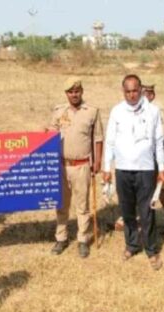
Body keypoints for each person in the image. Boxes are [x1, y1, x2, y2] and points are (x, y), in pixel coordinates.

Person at [103, 74, 164, 270]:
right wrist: (107, 168)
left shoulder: (153, 111)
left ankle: (151, 249)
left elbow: (158, 142)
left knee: (147, 211)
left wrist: (162, 168)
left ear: (141, 90)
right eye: (127, 91)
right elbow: (110, 141)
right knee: (127, 210)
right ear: (123, 91)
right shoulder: (117, 111)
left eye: (135, 90)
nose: (131, 95)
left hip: (146, 169)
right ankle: (131, 245)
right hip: (123, 169)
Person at [45, 76, 103, 258]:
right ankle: (61, 238)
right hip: (61, 165)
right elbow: (49, 135)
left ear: (82, 92)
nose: (74, 94)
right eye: (71, 92)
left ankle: (83, 240)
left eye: (77, 91)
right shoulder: (58, 112)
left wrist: (98, 161)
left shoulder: (92, 112)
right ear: (66, 94)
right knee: (62, 205)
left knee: (82, 206)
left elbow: (98, 139)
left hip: (82, 166)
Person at [142, 82, 164, 235]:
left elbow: (161, 139)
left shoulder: (158, 109)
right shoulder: (144, 110)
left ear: (151, 95)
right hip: (148, 161)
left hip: (160, 161)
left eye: (144, 93)